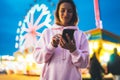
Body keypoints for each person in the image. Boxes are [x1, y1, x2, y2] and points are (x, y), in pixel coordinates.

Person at [33, 0, 89, 80]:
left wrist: (74, 50)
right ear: (57, 13)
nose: (66, 14)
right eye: (62, 10)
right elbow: (37, 58)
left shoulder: (81, 35)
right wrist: (51, 46)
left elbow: (84, 64)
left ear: (73, 14)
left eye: (69, 11)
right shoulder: (47, 32)